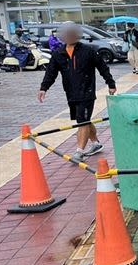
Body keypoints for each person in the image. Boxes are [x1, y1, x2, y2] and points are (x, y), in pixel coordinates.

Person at [38, 21, 116, 162]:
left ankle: (79, 151)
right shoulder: (58, 54)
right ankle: (96, 143)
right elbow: (51, 73)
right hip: (71, 93)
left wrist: (110, 83)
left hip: (87, 92)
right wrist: (44, 88)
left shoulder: (88, 51)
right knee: (83, 120)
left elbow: (102, 67)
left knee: (82, 122)